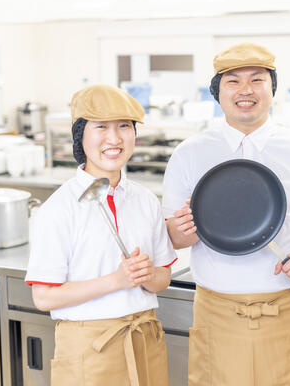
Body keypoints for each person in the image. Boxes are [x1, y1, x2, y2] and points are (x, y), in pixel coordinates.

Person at [163, 42, 290, 386]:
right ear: (218, 93)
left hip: (285, 309)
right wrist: (184, 230)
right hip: (217, 313)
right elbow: (173, 235)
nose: (246, 90)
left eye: (257, 80)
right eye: (233, 81)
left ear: (273, 89)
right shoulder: (189, 154)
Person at [25, 84, 177, 386]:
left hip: (144, 339)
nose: (114, 138)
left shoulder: (146, 200)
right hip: (89, 349)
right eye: (101, 127)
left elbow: (163, 279)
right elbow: (43, 297)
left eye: (124, 126)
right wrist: (116, 281)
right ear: (80, 135)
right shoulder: (58, 209)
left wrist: (146, 275)